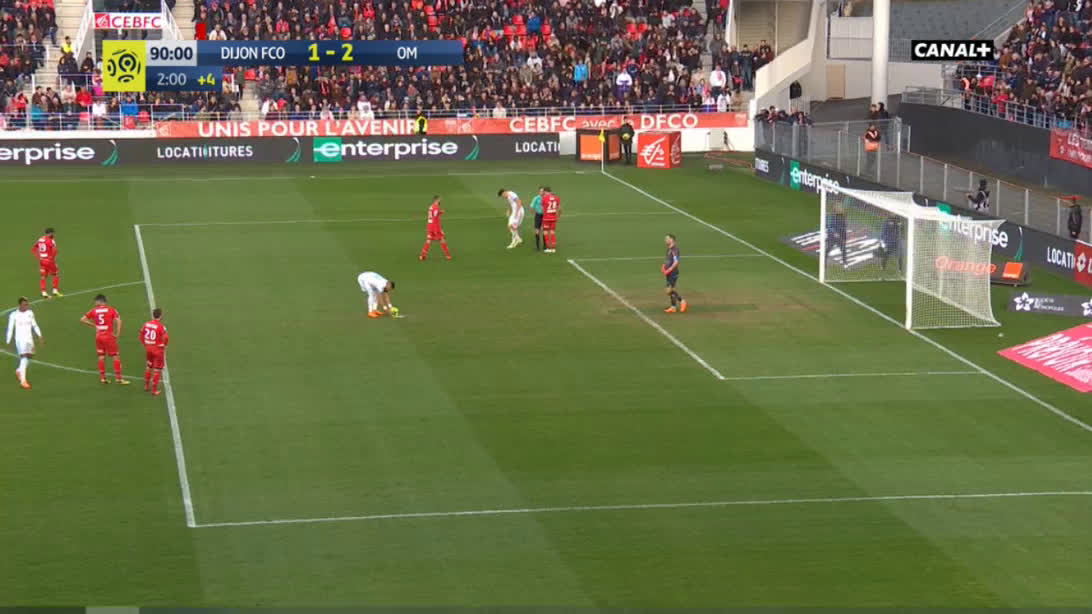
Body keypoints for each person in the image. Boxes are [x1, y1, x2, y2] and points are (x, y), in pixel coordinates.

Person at [80, 294, 129, 385]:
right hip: (108, 336)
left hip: (98, 336)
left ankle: (103, 378)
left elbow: (82, 319)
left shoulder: (94, 310)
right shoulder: (111, 310)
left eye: (96, 301)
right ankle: (118, 379)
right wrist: (117, 333)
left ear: (100, 301)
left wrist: (94, 325)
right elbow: (119, 321)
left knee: (101, 356)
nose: (95, 303)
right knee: (115, 356)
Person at [6, 297, 42, 389]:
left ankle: (19, 370)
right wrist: (8, 341)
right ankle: (23, 381)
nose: (26, 306)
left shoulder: (30, 313)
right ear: (20, 305)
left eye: (27, 304)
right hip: (20, 339)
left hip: (29, 339)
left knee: (29, 356)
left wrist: (39, 335)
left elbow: (34, 324)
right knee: (24, 357)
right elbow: (10, 329)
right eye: (24, 305)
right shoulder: (14, 315)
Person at [139, 308, 168, 396]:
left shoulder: (146, 324)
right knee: (157, 370)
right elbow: (166, 337)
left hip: (149, 348)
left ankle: (146, 386)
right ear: (160, 316)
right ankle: (154, 390)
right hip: (157, 350)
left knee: (148, 367)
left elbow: (141, 335)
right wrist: (164, 345)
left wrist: (145, 344)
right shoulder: (161, 326)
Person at [419, 195, 452, 261]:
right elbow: (435, 216)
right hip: (435, 226)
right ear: (436, 200)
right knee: (442, 239)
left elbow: (433, 214)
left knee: (428, 240)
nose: (440, 201)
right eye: (439, 199)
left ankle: (422, 256)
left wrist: (440, 212)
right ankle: (448, 255)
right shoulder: (436, 207)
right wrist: (436, 230)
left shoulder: (431, 206)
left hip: (429, 225)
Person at [32, 227, 62, 299]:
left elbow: (34, 248)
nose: (54, 234)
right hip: (49, 261)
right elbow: (55, 250)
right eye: (53, 233)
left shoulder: (40, 239)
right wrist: (52, 258)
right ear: (50, 233)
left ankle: (43, 292)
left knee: (43, 276)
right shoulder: (51, 241)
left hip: (42, 260)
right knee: (55, 274)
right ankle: (55, 291)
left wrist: (39, 257)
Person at [662, 234, 688, 314]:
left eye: (667, 238)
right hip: (668, 272)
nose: (665, 240)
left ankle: (682, 301)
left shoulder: (675, 250)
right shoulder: (669, 249)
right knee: (671, 290)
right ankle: (673, 307)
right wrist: (663, 266)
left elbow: (676, 262)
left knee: (668, 291)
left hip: (673, 273)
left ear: (672, 240)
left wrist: (669, 269)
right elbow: (668, 260)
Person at [541, 186, 561, 253]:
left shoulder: (544, 198)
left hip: (546, 218)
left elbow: (542, 208)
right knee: (552, 232)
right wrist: (558, 216)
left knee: (545, 232)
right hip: (554, 218)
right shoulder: (557, 198)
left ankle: (548, 248)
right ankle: (553, 248)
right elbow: (559, 209)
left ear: (546, 192)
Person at [529, 186, 545, 251]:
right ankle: (537, 246)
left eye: (543, 191)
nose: (542, 192)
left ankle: (545, 245)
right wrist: (533, 212)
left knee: (544, 230)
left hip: (545, 216)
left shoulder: (546, 198)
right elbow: (531, 206)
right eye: (540, 191)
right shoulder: (536, 198)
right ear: (539, 192)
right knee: (537, 230)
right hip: (538, 215)